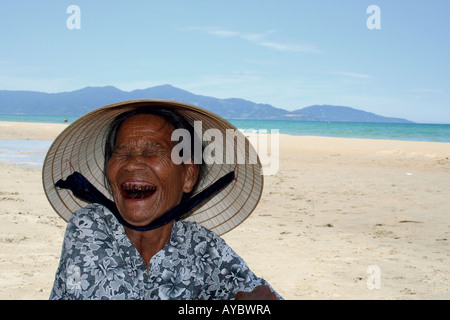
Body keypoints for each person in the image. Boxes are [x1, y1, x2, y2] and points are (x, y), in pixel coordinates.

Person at [43, 99, 281, 300]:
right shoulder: (90, 225)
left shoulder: (200, 245)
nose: (132, 163)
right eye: (121, 152)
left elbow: (259, 293)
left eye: (151, 152)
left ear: (188, 176)